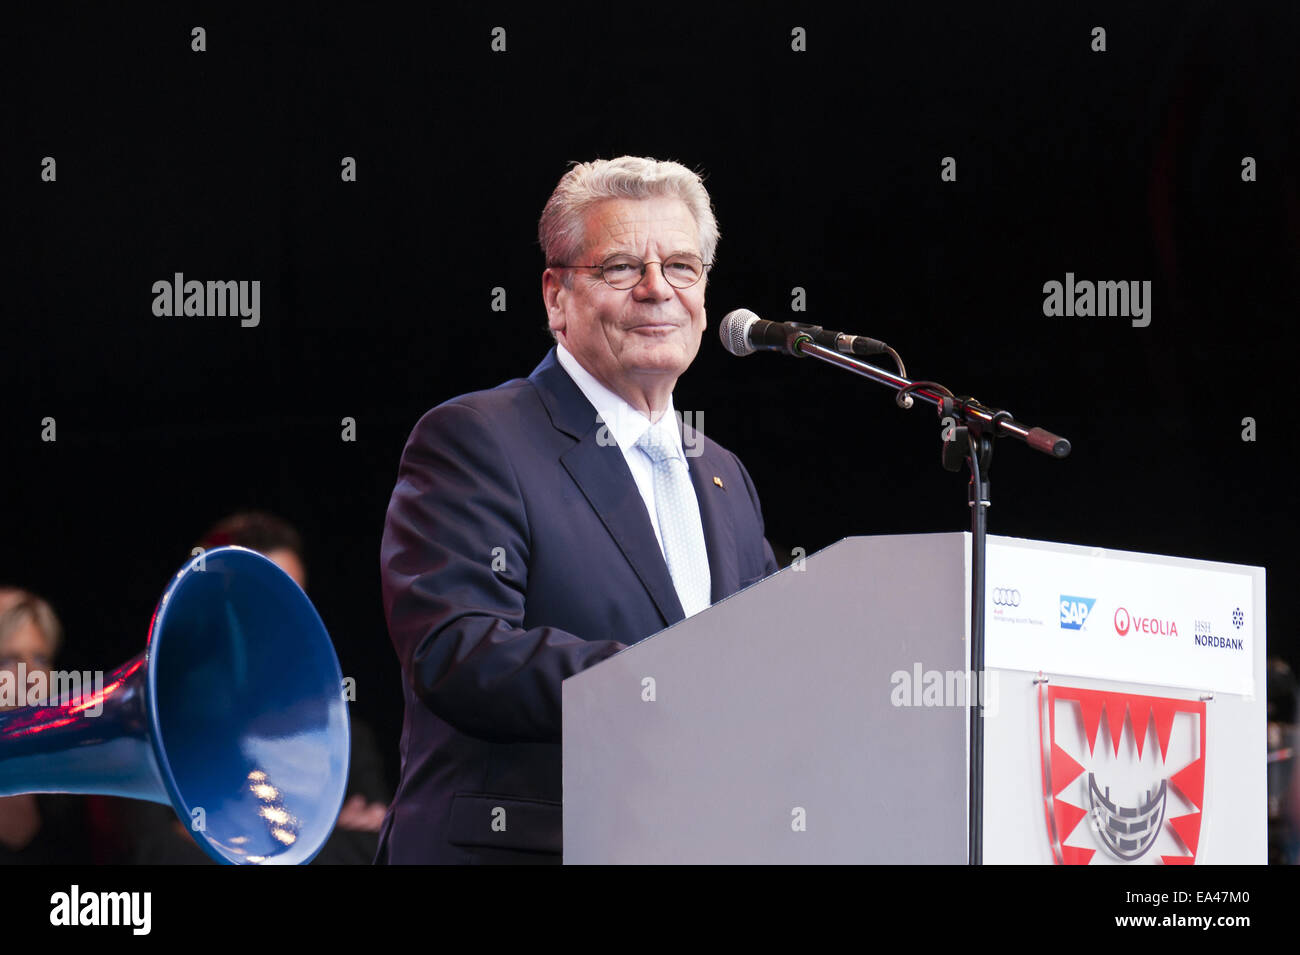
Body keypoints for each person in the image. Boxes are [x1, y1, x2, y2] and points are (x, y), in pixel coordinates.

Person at [378, 156, 781, 864]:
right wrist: (658, 680)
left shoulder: (724, 475)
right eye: (621, 267)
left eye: (682, 267)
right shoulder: (477, 438)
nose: (658, 290)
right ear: (556, 297)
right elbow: (456, 648)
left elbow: (765, 670)